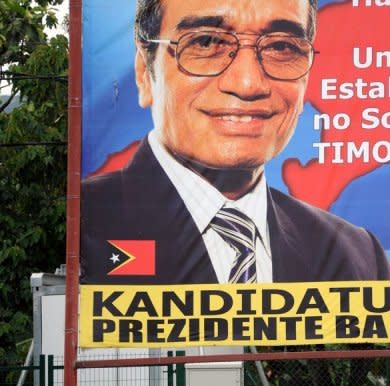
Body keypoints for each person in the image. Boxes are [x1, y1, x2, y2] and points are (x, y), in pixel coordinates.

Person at [80, 0, 390, 286]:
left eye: (281, 47)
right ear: (144, 73)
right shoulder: (84, 224)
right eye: (206, 42)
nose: (247, 84)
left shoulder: (355, 256)